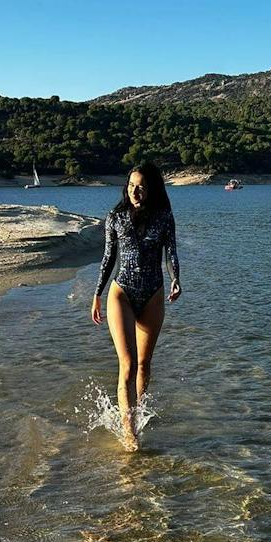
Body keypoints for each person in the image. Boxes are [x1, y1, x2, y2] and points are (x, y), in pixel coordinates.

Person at [91, 163, 181, 450]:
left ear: (152, 188)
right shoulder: (115, 218)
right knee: (128, 365)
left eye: (141, 186)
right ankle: (130, 433)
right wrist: (97, 294)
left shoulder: (164, 217)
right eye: (131, 185)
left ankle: (135, 412)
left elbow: (171, 253)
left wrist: (176, 278)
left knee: (144, 365)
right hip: (122, 293)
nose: (135, 191)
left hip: (153, 293)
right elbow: (108, 259)